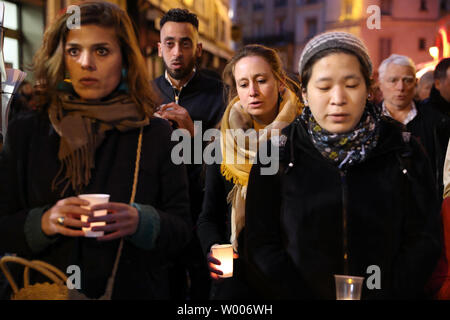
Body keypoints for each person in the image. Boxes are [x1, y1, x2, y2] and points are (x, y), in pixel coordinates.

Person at [0, 2, 191, 300]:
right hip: (42, 289)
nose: (86, 63)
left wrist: (142, 221)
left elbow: (182, 230)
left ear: (125, 58)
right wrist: (43, 222)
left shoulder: (155, 134)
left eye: (101, 51)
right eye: (74, 51)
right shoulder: (27, 131)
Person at [245, 32, 442, 299]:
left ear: (369, 88)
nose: (338, 98)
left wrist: (390, 291)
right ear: (304, 92)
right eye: (324, 87)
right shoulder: (277, 153)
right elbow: (261, 242)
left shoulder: (404, 150)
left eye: (351, 85)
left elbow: (425, 238)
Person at [197, 44, 303, 299]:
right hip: (235, 282)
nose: (253, 92)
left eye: (261, 80)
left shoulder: (304, 139)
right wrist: (214, 248)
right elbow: (207, 217)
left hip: (291, 279)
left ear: (279, 82)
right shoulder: (222, 144)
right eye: (243, 84)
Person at [152, 8, 226, 300]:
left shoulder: (221, 93)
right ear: (159, 49)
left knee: (205, 293)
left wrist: (193, 135)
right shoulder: (145, 94)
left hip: (205, 218)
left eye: (185, 43)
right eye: (169, 43)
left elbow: (228, 164)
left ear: (198, 48)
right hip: (161, 217)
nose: (177, 51)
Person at [378, 54, 445, 197]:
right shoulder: (368, 122)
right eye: (393, 80)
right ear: (380, 84)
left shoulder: (436, 121)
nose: (400, 87)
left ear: (415, 83)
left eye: (407, 80)